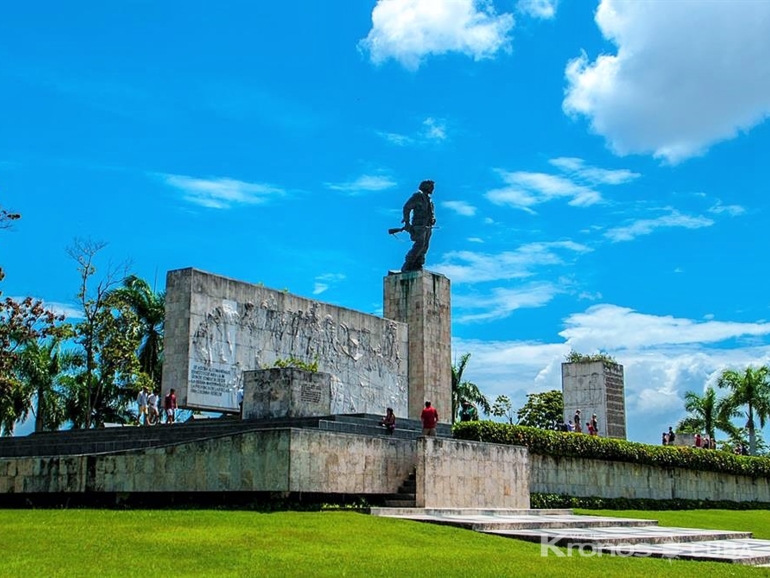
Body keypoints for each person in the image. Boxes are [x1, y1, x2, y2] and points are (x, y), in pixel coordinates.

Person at [400, 180, 436, 272]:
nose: (433, 189)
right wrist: (407, 222)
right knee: (419, 245)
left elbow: (430, 212)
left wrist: (433, 218)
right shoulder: (418, 196)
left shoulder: (429, 199)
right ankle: (408, 265)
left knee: (425, 246)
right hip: (419, 225)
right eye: (431, 186)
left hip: (428, 226)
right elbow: (407, 207)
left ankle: (418, 264)